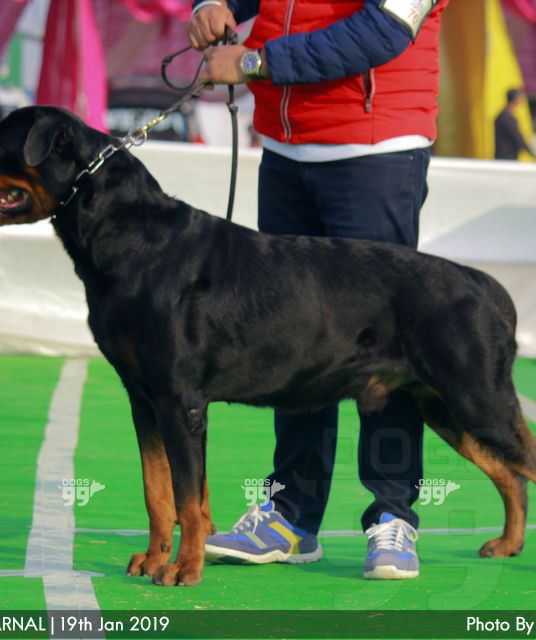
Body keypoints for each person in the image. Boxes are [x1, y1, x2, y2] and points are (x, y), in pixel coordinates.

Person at [188, 0, 449, 579]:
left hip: (377, 150)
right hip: (285, 148)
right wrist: (214, 5)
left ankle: (393, 514)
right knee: (291, 340)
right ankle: (291, 515)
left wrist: (253, 63)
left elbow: (381, 31)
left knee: (384, 349)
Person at [494, 88, 536, 161]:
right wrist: (531, 153)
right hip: (506, 157)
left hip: (504, 156)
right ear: (515, 99)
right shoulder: (507, 117)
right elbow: (517, 137)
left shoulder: (504, 115)